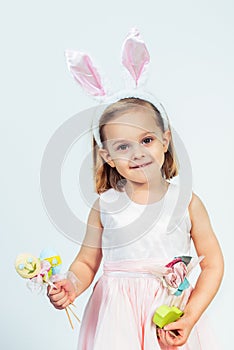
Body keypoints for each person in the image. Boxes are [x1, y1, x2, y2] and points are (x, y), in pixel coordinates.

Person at [47, 97, 224, 349]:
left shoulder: (186, 202)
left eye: (146, 140)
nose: (137, 153)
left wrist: (190, 316)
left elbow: (213, 264)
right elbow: (87, 262)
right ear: (107, 156)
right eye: (123, 147)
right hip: (117, 318)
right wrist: (72, 284)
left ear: (165, 140)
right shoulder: (105, 206)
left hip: (169, 314)